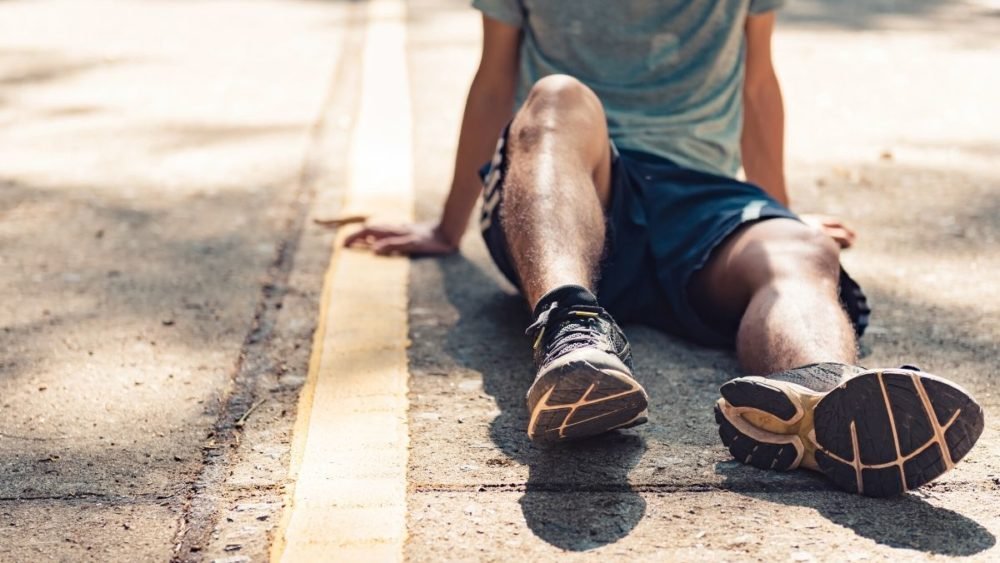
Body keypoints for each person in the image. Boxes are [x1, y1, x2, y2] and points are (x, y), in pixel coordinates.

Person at [345, 1, 984, 497]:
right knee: (559, 94)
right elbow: (495, 85)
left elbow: (757, 85)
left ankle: (823, 405)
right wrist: (447, 226)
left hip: (700, 197)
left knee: (800, 248)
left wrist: (777, 209)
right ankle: (574, 334)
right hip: (566, 180)